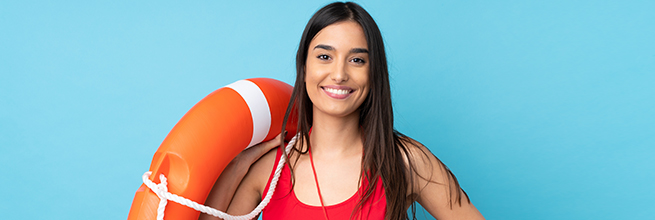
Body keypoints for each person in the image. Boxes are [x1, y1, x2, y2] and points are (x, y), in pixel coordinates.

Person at [200, 2, 484, 219]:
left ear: (374, 74)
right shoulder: (269, 170)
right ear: (304, 67)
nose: (339, 74)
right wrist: (237, 165)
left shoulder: (406, 161)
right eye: (325, 56)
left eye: (357, 60)